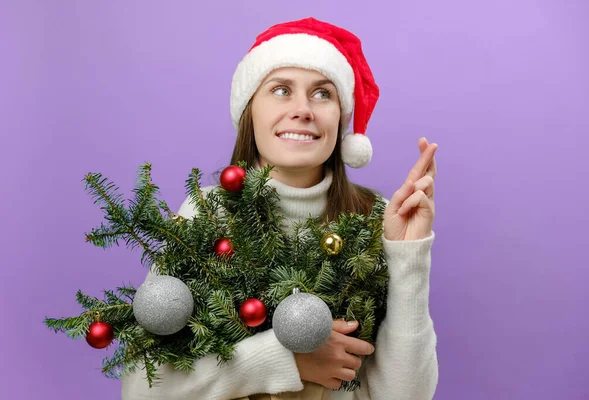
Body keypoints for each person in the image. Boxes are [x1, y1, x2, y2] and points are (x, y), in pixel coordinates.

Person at [121, 17, 439, 400]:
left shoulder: (374, 218)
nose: (303, 109)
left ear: (341, 119)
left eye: (323, 94)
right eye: (281, 90)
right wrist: (287, 360)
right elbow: (143, 388)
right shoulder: (208, 213)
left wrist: (409, 256)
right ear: (250, 110)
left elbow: (407, 395)